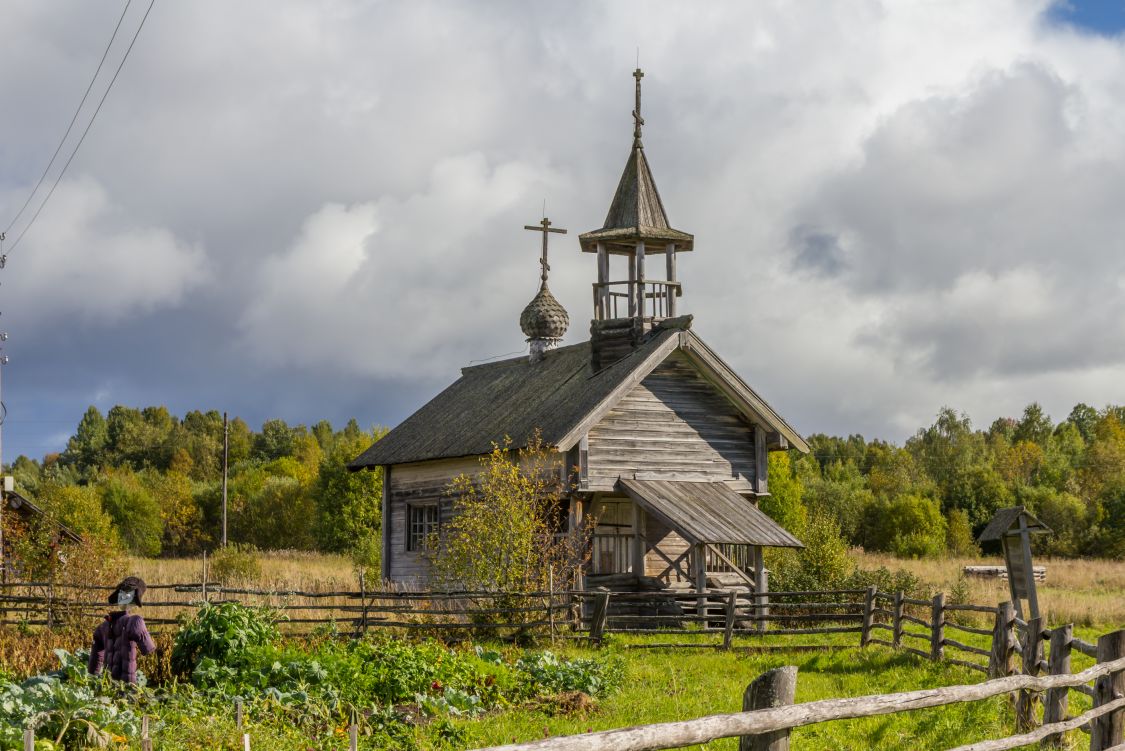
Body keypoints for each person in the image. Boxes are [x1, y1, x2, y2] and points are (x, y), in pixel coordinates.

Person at [88, 576, 157, 684]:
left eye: (126, 593)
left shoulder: (105, 626)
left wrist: (92, 676)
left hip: (109, 685)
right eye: (122, 593)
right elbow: (149, 649)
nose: (123, 596)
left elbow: (93, 665)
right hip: (125, 686)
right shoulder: (133, 622)